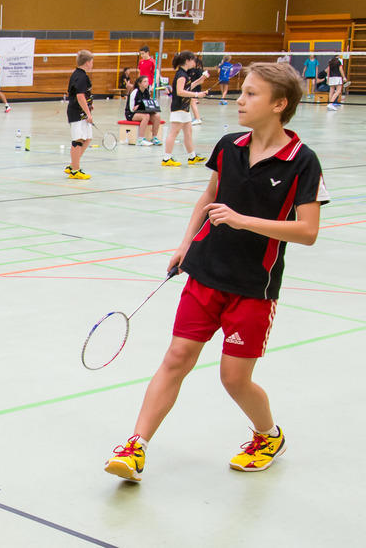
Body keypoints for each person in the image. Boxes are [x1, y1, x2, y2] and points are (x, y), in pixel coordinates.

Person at [104, 62, 329, 482]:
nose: (240, 100)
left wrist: (243, 221)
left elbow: (308, 231)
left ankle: (268, 435)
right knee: (176, 358)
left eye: (251, 94)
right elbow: (207, 198)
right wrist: (185, 244)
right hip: (204, 273)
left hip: (253, 287)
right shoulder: (228, 147)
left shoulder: (302, 161)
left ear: (279, 104)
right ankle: (136, 446)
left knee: (234, 379)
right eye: (242, 92)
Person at [161, 51, 208, 167]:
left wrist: (199, 81)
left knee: (188, 133)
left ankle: (192, 156)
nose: (194, 62)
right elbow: (180, 91)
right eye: (193, 60)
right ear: (187, 61)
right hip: (179, 108)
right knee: (174, 133)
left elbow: (187, 87)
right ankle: (166, 158)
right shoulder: (181, 75)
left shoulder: (184, 74)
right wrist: (197, 94)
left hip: (185, 108)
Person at [64, 50, 94, 179]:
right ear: (87, 62)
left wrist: (89, 105)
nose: (92, 64)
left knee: (87, 138)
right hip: (77, 112)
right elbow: (80, 96)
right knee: (78, 140)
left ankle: (72, 165)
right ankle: (75, 171)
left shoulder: (79, 74)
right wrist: (88, 113)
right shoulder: (81, 76)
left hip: (81, 111)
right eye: (92, 62)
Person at [126, 76, 162, 146]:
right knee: (146, 116)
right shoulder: (135, 92)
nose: (147, 83)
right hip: (131, 114)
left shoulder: (146, 92)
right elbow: (131, 109)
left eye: (147, 81)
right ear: (139, 83)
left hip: (143, 112)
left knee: (157, 116)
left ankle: (154, 138)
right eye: (145, 81)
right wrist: (137, 107)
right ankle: (140, 139)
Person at [188, 56, 208, 125]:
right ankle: (196, 117)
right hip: (191, 87)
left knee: (192, 102)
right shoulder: (191, 70)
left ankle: (197, 118)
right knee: (192, 102)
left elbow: (201, 81)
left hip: (195, 88)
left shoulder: (199, 70)